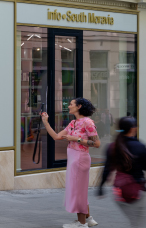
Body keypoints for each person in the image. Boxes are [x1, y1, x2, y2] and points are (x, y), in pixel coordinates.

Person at [41, 97, 101, 228]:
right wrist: (45, 122)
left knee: (78, 191)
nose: (68, 106)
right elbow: (57, 136)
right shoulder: (73, 123)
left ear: (79, 106)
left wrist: (76, 139)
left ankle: (81, 224)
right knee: (79, 189)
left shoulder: (88, 122)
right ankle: (88, 219)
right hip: (73, 158)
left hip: (80, 158)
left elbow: (97, 143)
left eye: (71, 104)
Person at [98, 116, 146, 224]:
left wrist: (100, 187)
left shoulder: (112, 147)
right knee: (139, 223)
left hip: (119, 193)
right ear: (133, 129)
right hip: (137, 192)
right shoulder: (140, 146)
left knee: (134, 221)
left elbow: (107, 170)